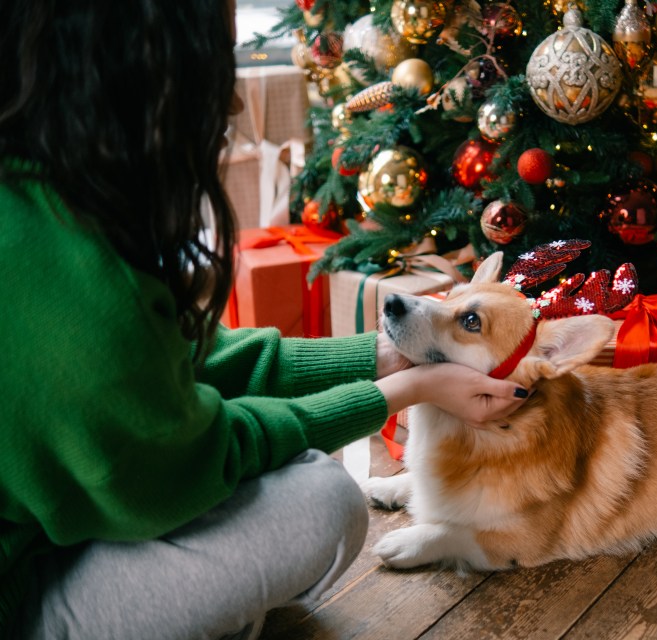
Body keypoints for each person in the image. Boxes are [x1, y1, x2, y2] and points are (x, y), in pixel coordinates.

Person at [0, 1, 528, 638]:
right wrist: (401, 390)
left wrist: (379, 357)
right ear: (135, 73)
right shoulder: (74, 285)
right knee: (321, 501)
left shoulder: (42, 210)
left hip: (50, 527)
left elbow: (182, 368)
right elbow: (188, 463)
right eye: (215, 70)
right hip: (19, 596)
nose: (227, 110)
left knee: (300, 474)